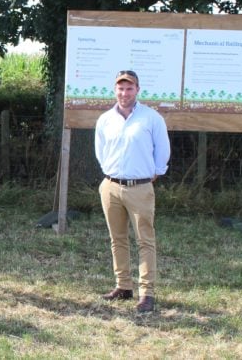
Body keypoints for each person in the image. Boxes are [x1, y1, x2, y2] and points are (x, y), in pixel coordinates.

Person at [94, 70, 170, 313]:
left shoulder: (151, 118)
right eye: (120, 88)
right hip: (111, 186)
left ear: (137, 89)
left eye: (129, 88)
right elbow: (101, 151)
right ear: (114, 89)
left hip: (140, 187)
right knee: (117, 238)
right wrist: (110, 174)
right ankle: (123, 286)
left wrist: (152, 174)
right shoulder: (105, 119)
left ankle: (146, 292)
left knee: (145, 240)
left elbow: (162, 151)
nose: (124, 93)